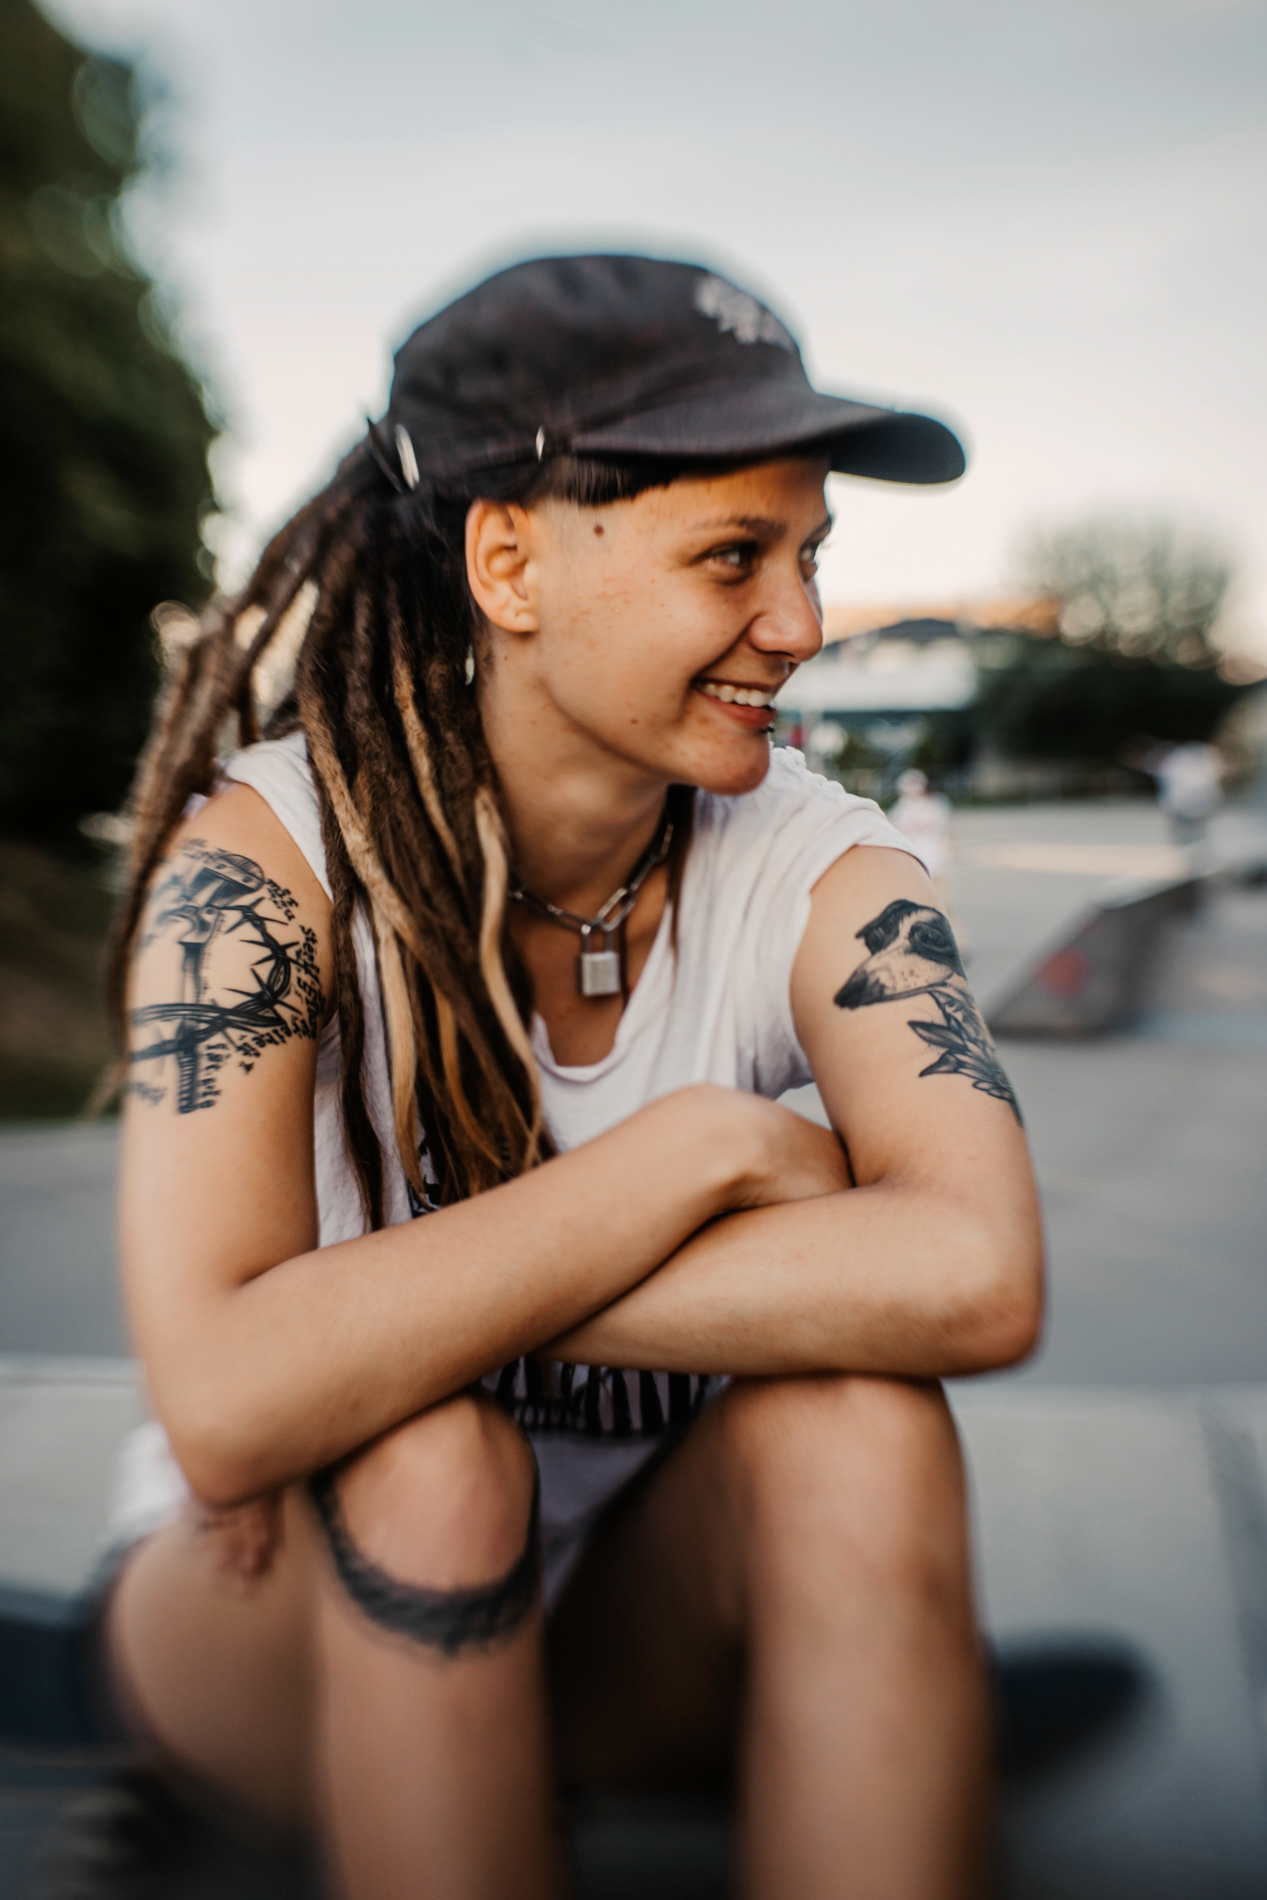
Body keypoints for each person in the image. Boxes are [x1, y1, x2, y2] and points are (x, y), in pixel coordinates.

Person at [101, 254, 1043, 1900]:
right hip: (267, 1624)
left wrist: (370, 1320)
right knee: (429, 1464)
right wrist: (706, 1153)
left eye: (812, 555)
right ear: (510, 562)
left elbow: (973, 1269)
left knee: (864, 1428)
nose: (802, 627)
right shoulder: (262, 871)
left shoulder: (824, 870)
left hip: (623, 1627)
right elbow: (230, 1403)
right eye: (733, 556)